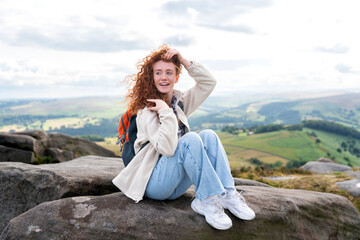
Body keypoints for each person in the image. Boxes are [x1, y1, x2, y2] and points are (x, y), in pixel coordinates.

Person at [112, 44, 255, 230]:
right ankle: (206, 200)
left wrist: (184, 61)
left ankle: (227, 193)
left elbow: (208, 83)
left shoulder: (178, 103)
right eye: (158, 73)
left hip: (175, 183)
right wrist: (165, 113)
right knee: (190, 139)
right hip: (154, 184)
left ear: (177, 77)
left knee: (209, 136)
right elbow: (168, 149)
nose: (164, 77)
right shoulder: (146, 110)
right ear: (151, 77)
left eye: (169, 72)